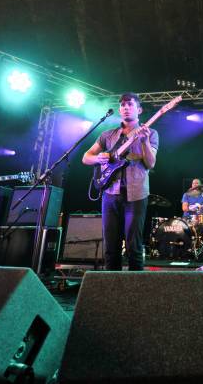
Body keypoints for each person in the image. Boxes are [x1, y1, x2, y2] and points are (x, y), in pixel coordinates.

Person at [82, 92, 158, 271]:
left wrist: (145, 141)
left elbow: (150, 163)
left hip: (136, 194)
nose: (125, 108)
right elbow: (86, 157)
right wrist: (98, 159)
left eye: (130, 104)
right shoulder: (107, 135)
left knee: (134, 248)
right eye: (123, 105)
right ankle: (111, 292)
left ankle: (135, 293)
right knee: (110, 249)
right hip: (110, 193)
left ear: (139, 109)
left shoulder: (151, 133)